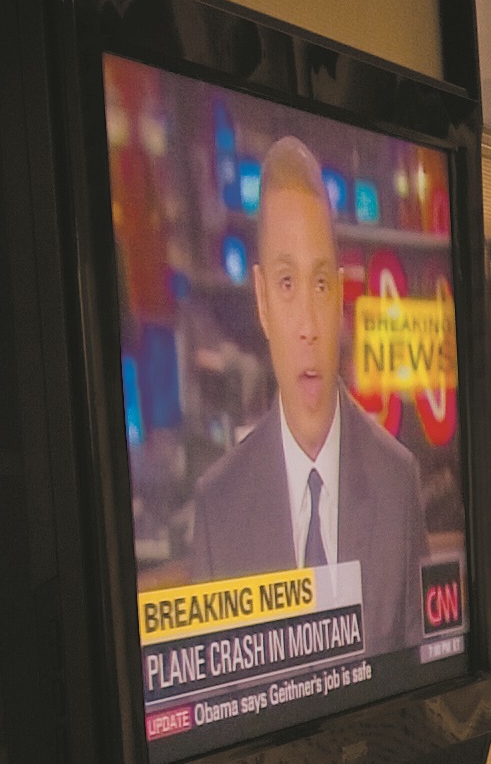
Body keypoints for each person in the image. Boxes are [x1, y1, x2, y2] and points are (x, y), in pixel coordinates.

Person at [184, 137, 430, 615]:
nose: (309, 327)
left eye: (320, 284)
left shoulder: (397, 485)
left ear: (339, 294)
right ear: (261, 300)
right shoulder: (218, 508)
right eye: (286, 284)